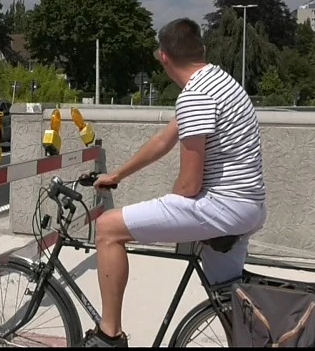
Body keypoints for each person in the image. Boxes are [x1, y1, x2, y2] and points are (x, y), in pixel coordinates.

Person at [79, 18, 268, 348]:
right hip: (247, 206)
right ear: (202, 51)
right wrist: (118, 175)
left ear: (163, 57)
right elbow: (163, 140)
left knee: (108, 228)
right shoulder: (220, 81)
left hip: (222, 207)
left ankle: (109, 335)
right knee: (229, 302)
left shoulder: (195, 95)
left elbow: (189, 186)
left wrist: (165, 210)